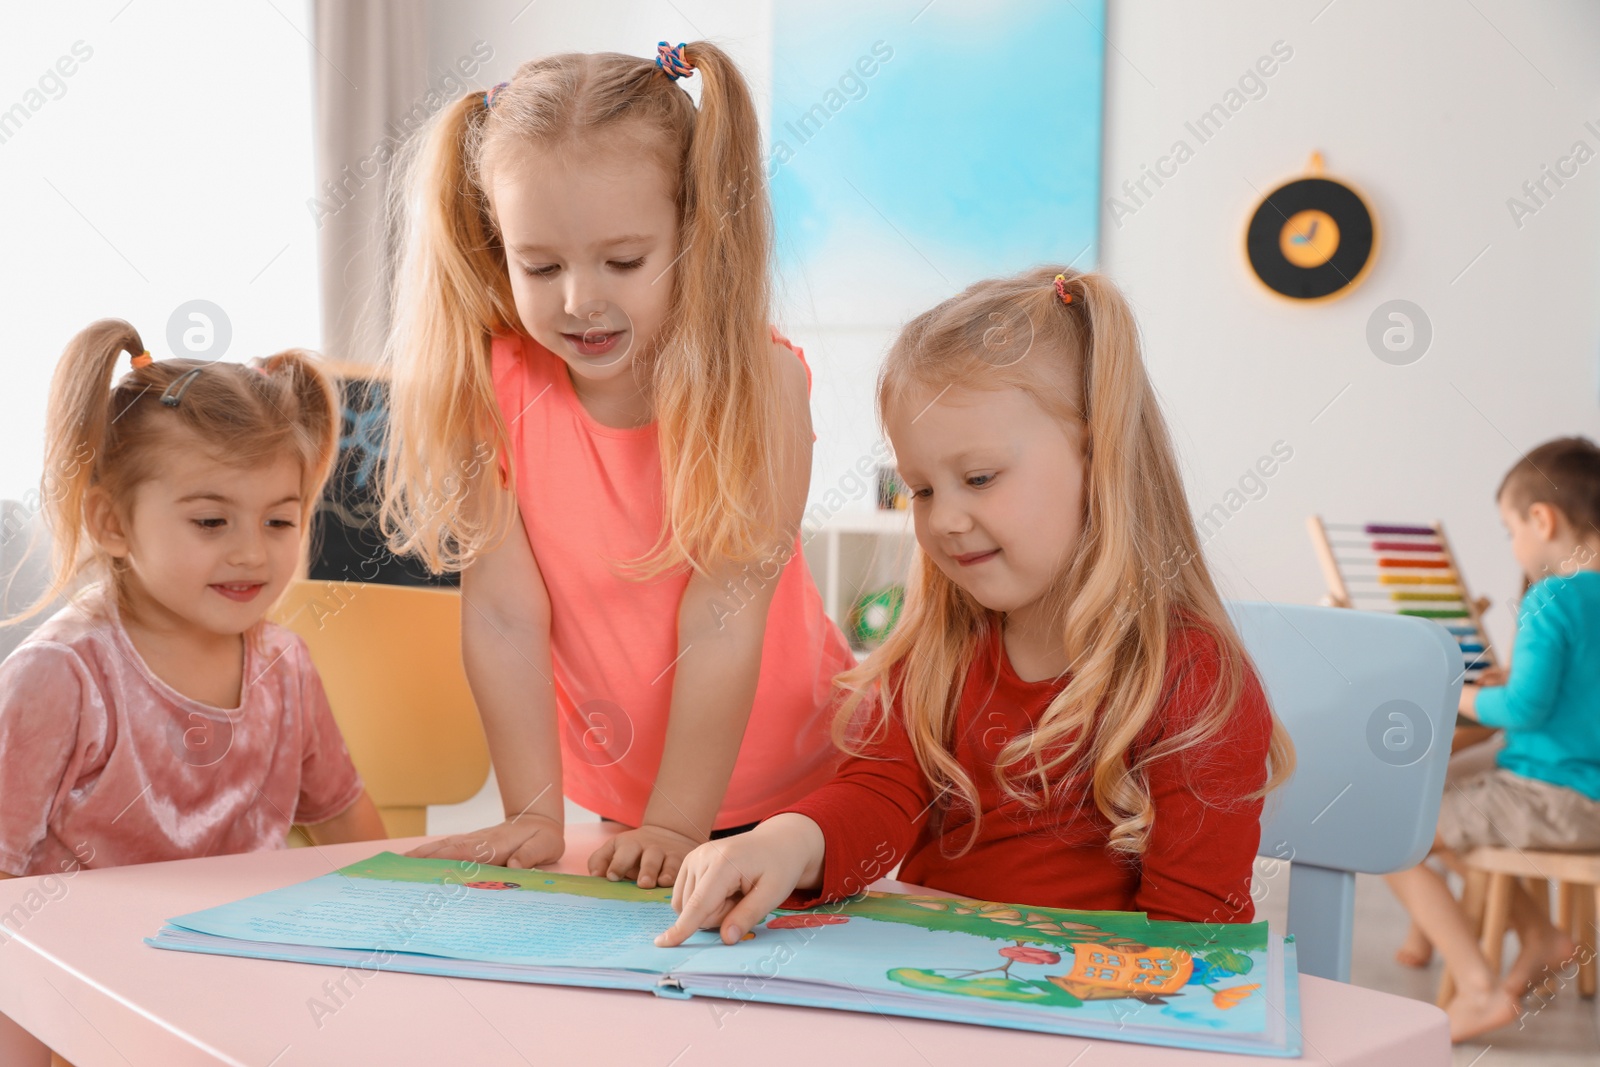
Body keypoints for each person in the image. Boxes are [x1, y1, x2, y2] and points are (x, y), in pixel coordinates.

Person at [656, 267, 1295, 949]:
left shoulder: (1191, 679)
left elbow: (1191, 947)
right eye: (922, 489)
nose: (946, 519)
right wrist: (786, 840)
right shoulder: (939, 652)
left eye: (979, 478)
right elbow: (881, 797)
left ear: (1098, 456)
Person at [382, 43, 852, 889]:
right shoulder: (492, 389)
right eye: (541, 265)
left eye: (623, 261)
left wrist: (679, 819)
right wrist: (534, 812)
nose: (579, 300)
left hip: (805, 788)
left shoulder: (763, 387)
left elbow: (724, 613)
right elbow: (503, 615)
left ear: (696, 230)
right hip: (635, 795)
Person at [0, 319, 386, 1067]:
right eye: (211, 520)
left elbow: (350, 831)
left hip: (236, 995)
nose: (251, 550)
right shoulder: (61, 676)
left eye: (280, 519)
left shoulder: (285, 665)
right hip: (82, 1011)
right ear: (112, 522)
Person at [1387, 435, 1600, 1042]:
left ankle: (1477, 987)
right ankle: (1541, 936)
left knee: (1398, 840)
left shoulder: (1552, 596)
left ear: (1542, 518)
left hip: (1549, 799)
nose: (1515, 546)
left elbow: (1524, 711)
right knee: (1451, 816)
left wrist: (1454, 689)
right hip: (1589, 803)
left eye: (1511, 530)